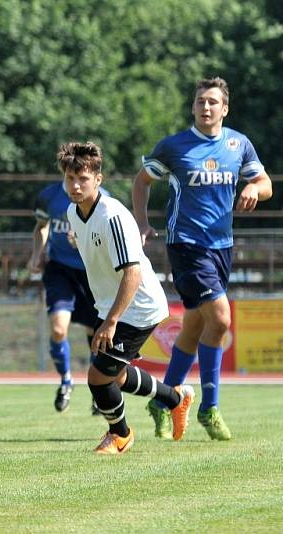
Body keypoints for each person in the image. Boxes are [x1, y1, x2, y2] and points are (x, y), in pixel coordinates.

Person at [132, 77, 273, 441]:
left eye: (212, 102)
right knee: (221, 318)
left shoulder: (238, 144)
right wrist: (143, 224)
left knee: (194, 325)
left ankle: (162, 401)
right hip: (186, 245)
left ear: (224, 108)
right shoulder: (174, 146)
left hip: (221, 247)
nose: (205, 107)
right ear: (193, 108)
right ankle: (210, 406)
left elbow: (266, 184)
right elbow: (141, 181)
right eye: (200, 102)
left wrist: (253, 188)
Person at [60, 141, 195, 454]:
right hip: (113, 305)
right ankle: (176, 398)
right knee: (116, 374)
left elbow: (132, 274)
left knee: (98, 377)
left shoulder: (112, 216)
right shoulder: (73, 212)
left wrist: (111, 321)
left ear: (98, 179)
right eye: (70, 178)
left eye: (83, 178)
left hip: (137, 307)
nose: (76, 185)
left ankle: (120, 435)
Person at [28, 181, 106, 414]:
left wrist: (85, 241)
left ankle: (98, 390)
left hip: (92, 272)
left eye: (81, 175)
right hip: (59, 270)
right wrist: (36, 254)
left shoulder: (103, 198)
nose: (75, 182)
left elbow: (108, 235)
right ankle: (66, 381)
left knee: (96, 335)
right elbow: (41, 226)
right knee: (59, 329)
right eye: (70, 173)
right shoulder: (49, 196)